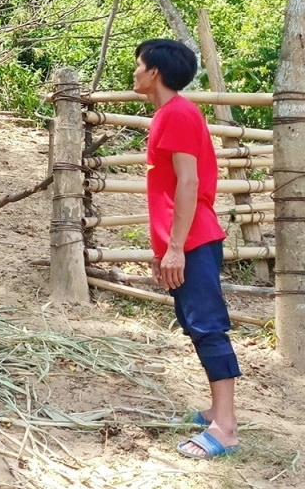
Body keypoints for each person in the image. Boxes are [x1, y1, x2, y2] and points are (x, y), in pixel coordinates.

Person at [133, 38, 241, 459]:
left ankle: (226, 427)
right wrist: (164, 250)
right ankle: (217, 409)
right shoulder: (170, 114)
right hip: (185, 240)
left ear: (155, 72)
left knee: (207, 325)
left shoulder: (176, 113)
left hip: (193, 239)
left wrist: (176, 247)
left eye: (139, 65)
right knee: (195, 322)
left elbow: (189, 184)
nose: (136, 72)